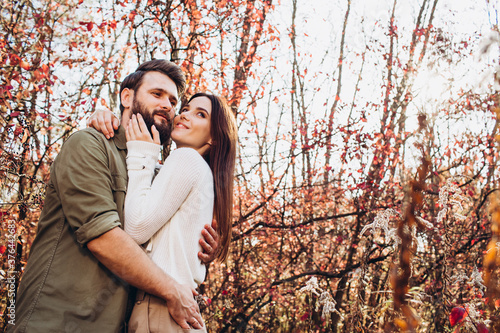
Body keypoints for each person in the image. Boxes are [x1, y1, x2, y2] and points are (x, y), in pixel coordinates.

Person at [8, 60, 218, 333]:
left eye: (173, 100)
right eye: (157, 94)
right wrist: (173, 291)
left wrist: (198, 246)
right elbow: (103, 237)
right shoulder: (90, 145)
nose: (168, 105)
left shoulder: (152, 168)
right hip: (56, 322)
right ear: (127, 97)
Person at [118, 92, 237, 332]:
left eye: (200, 114)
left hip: (161, 310)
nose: (184, 114)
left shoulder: (187, 159)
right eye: (186, 108)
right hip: (175, 309)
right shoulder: (203, 175)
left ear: (214, 137)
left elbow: (136, 228)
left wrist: (143, 152)